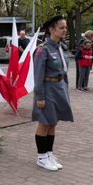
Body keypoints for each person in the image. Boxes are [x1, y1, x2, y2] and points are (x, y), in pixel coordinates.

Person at [32, 15, 74, 171]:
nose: (65, 30)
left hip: (59, 89)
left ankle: (49, 153)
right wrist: (40, 97)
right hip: (47, 89)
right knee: (44, 122)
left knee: (53, 122)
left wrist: (65, 89)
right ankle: (41, 157)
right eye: (61, 28)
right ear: (51, 29)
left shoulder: (61, 47)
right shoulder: (42, 50)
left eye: (65, 28)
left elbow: (64, 71)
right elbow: (38, 75)